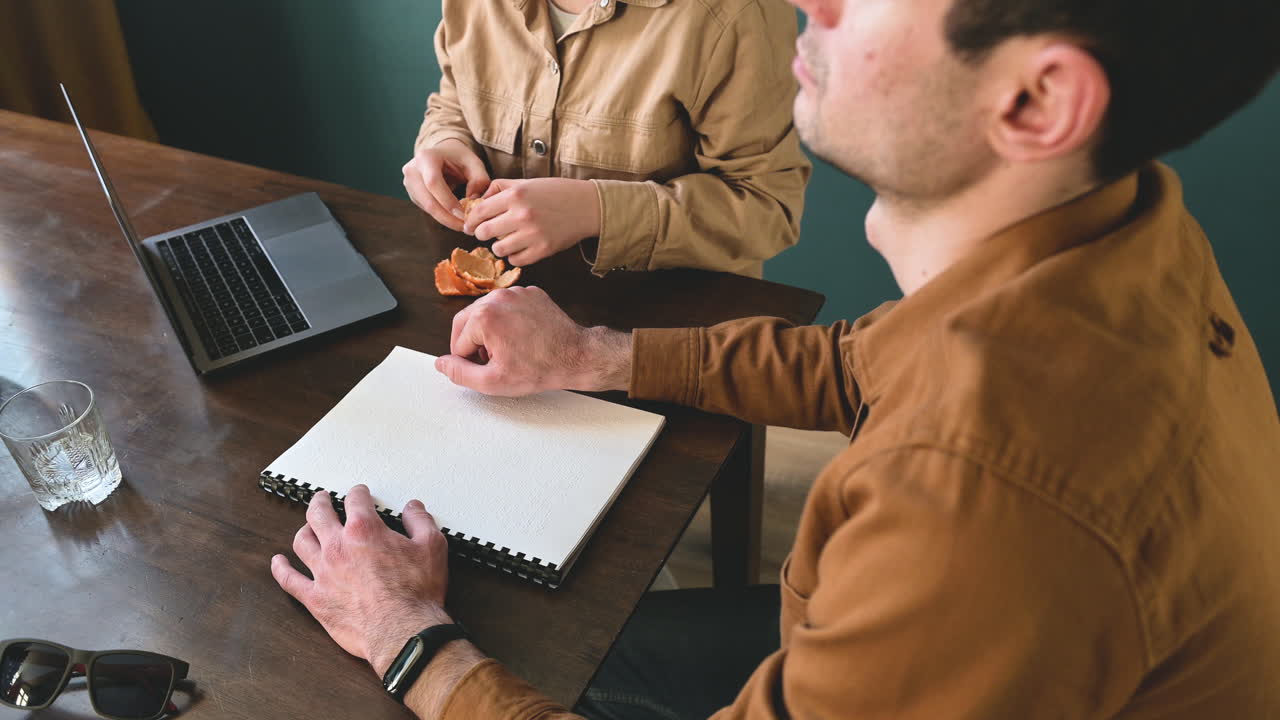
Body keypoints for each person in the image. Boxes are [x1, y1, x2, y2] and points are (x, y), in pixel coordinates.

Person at [271, 0, 1280, 717]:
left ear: (1035, 102)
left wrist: (406, 637)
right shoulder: (1120, 227)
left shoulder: (976, 509)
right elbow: (857, 364)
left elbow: (969, 506)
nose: (809, 2)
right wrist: (591, 351)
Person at [401, 0, 811, 277]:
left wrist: (596, 212)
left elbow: (768, 209)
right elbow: (455, 96)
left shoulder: (736, 13)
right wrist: (446, 142)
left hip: (663, 333)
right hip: (496, 314)